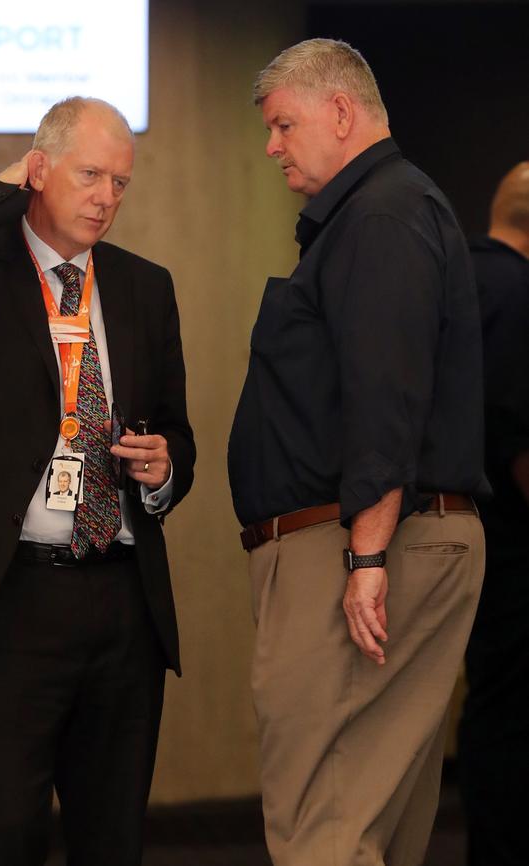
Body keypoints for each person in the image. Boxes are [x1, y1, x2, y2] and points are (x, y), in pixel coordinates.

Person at [0, 96, 195, 866]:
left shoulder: (145, 286)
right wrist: (5, 185)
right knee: (1, 835)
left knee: (111, 837)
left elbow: (177, 430)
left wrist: (164, 470)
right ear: (41, 168)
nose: (106, 197)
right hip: (8, 597)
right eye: (90, 174)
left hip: (123, 601)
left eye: (121, 182)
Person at [227, 38, 488, 866]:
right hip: (387, 540)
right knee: (373, 828)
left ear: (340, 112)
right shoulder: (386, 210)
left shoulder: (379, 213)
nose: (272, 145)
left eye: (282, 124)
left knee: (323, 829)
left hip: (361, 547)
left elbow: (388, 392)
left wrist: (366, 557)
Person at [458, 162, 529, 866]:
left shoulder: (456, 282)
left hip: (458, 537)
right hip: (517, 550)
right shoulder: (520, 293)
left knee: (490, 713)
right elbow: (521, 435)